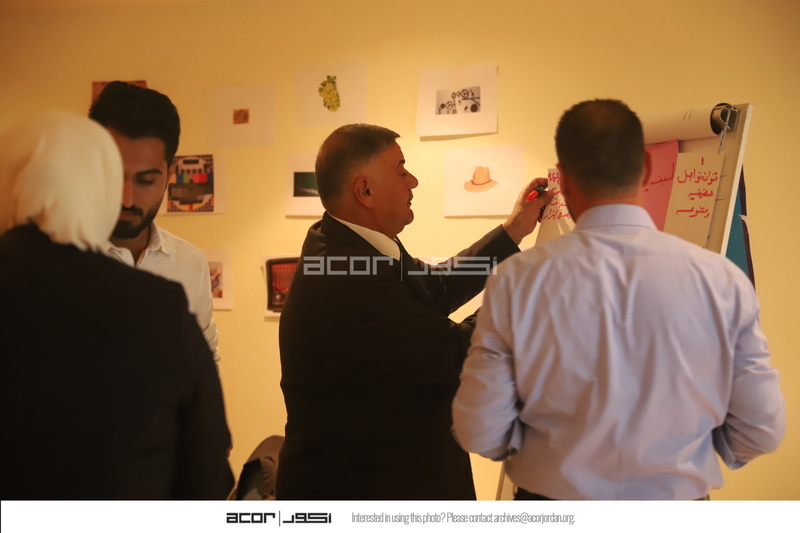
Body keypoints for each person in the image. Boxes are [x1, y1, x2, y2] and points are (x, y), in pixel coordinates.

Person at [452, 99, 786, 500]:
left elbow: (480, 427)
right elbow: (760, 428)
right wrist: (689, 454)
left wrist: (538, 454)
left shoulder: (515, 281)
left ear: (563, 181)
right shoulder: (720, 280)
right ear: (646, 169)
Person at [276, 123, 553, 500]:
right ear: (365, 191)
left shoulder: (353, 247)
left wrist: (513, 231)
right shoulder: (342, 275)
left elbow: (437, 286)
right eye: (401, 170)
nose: (414, 182)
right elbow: (453, 352)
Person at [0, 111, 234, 499]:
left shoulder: (184, 270)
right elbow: (206, 472)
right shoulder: (158, 303)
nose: (127, 198)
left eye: (145, 179)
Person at [88, 81, 220, 365]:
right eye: (113, 175)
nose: (126, 199)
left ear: (170, 174)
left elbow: (203, 364)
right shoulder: (53, 259)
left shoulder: (190, 263)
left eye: (146, 180)